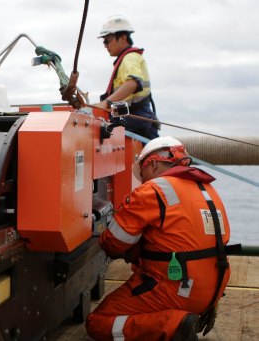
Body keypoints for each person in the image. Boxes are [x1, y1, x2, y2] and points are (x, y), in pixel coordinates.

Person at [86, 137, 237, 341]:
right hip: (213, 290)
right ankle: (187, 314)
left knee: (98, 321)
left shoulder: (153, 190)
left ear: (153, 164)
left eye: (143, 175)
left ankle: (175, 325)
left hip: (180, 289)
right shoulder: (207, 190)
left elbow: (114, 243)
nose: (143, 181)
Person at [93, 15, 159, 140]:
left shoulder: (130, 58)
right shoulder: (127, 59)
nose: (105, 45)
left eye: (107, 40)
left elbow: (133, 83)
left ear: (123, 37)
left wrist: (105, 103)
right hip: (132, 121)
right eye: (103, 41)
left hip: (136, 122)